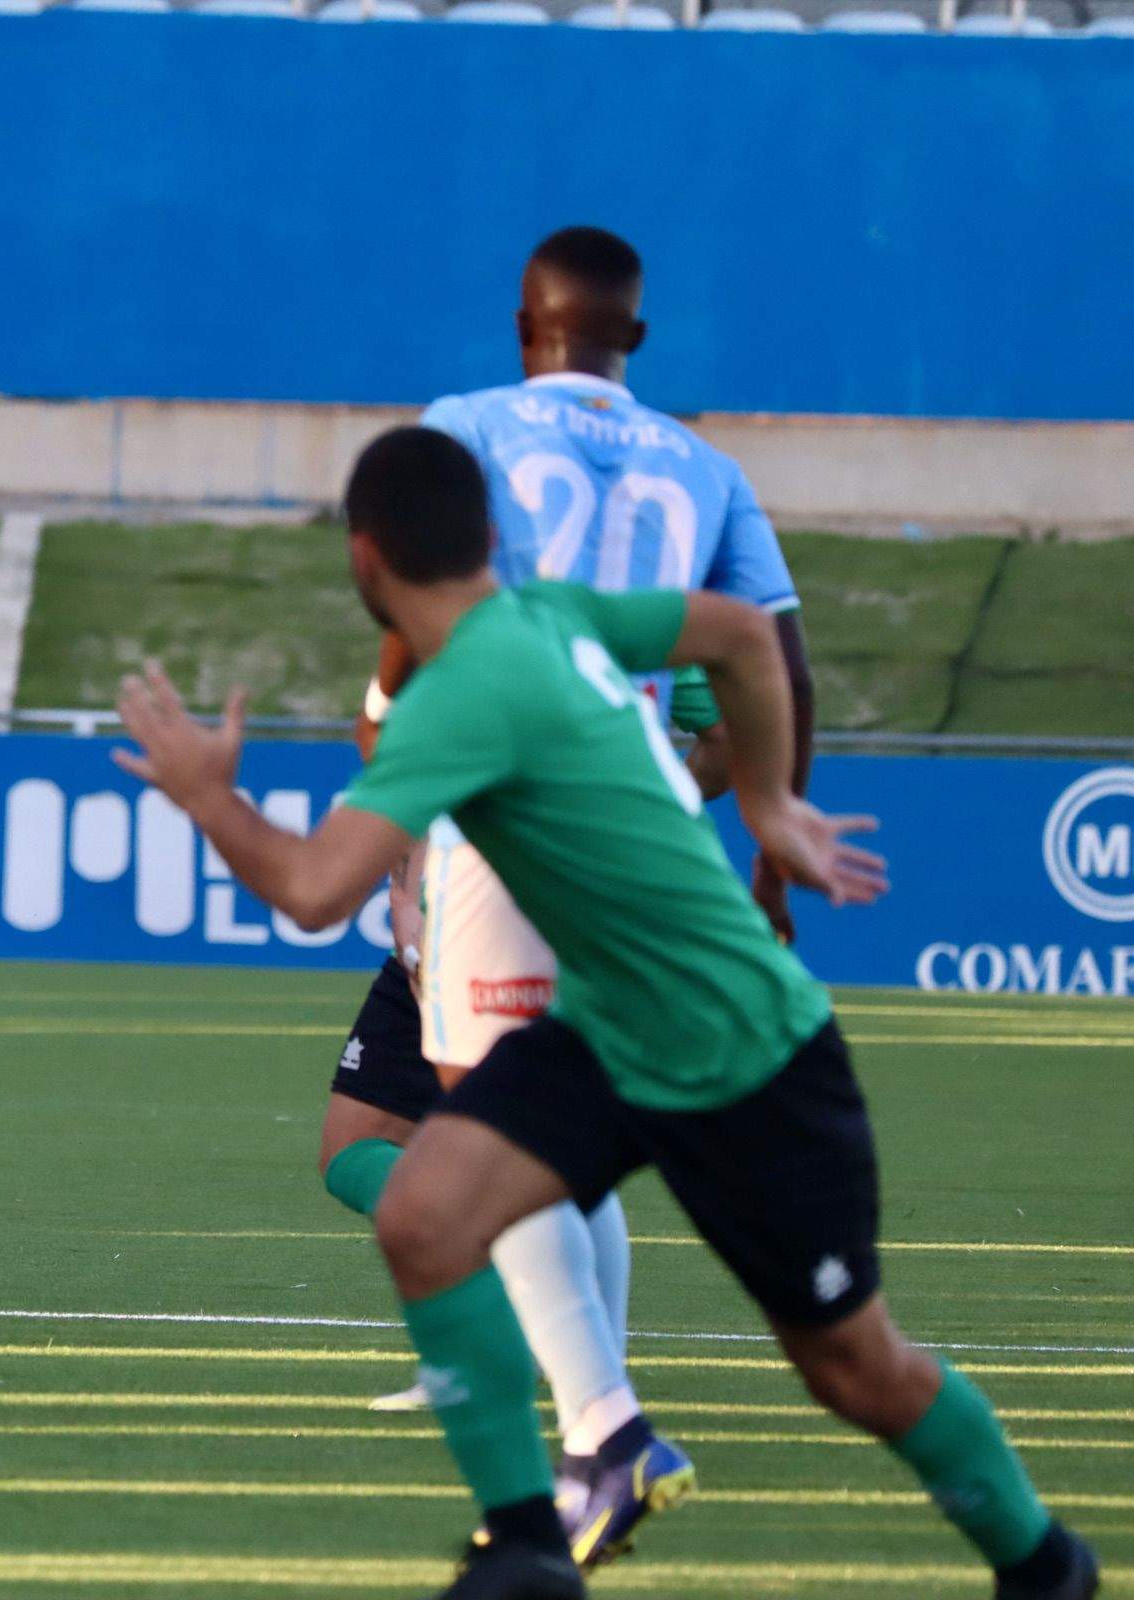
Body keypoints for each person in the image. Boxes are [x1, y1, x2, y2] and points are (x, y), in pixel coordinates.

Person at [116, 425, 1097, 1600]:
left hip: (744, 1048)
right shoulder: (556, 610)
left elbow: (316, 888)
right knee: (424, 1212)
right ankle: (529, 1543)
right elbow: (740, 632)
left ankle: (1046, 1565)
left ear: (363, 560)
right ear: (489, 537)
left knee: (856, 1369)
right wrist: (772, 803)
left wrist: (208, 796)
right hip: (608, 1029)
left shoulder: (461, 697)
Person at [323, 225, 810, 1567]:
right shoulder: (706, 468)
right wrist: (771, 837)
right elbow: (772, 649)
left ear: (524, 322)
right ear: (632, 337)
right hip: (627, 809)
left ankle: (605, 1428)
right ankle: (599, 1422)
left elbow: (424, 578)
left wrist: (385, 724)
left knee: (498, 1111)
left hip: (509, 791)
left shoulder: (471, 423)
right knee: (565, 1127)